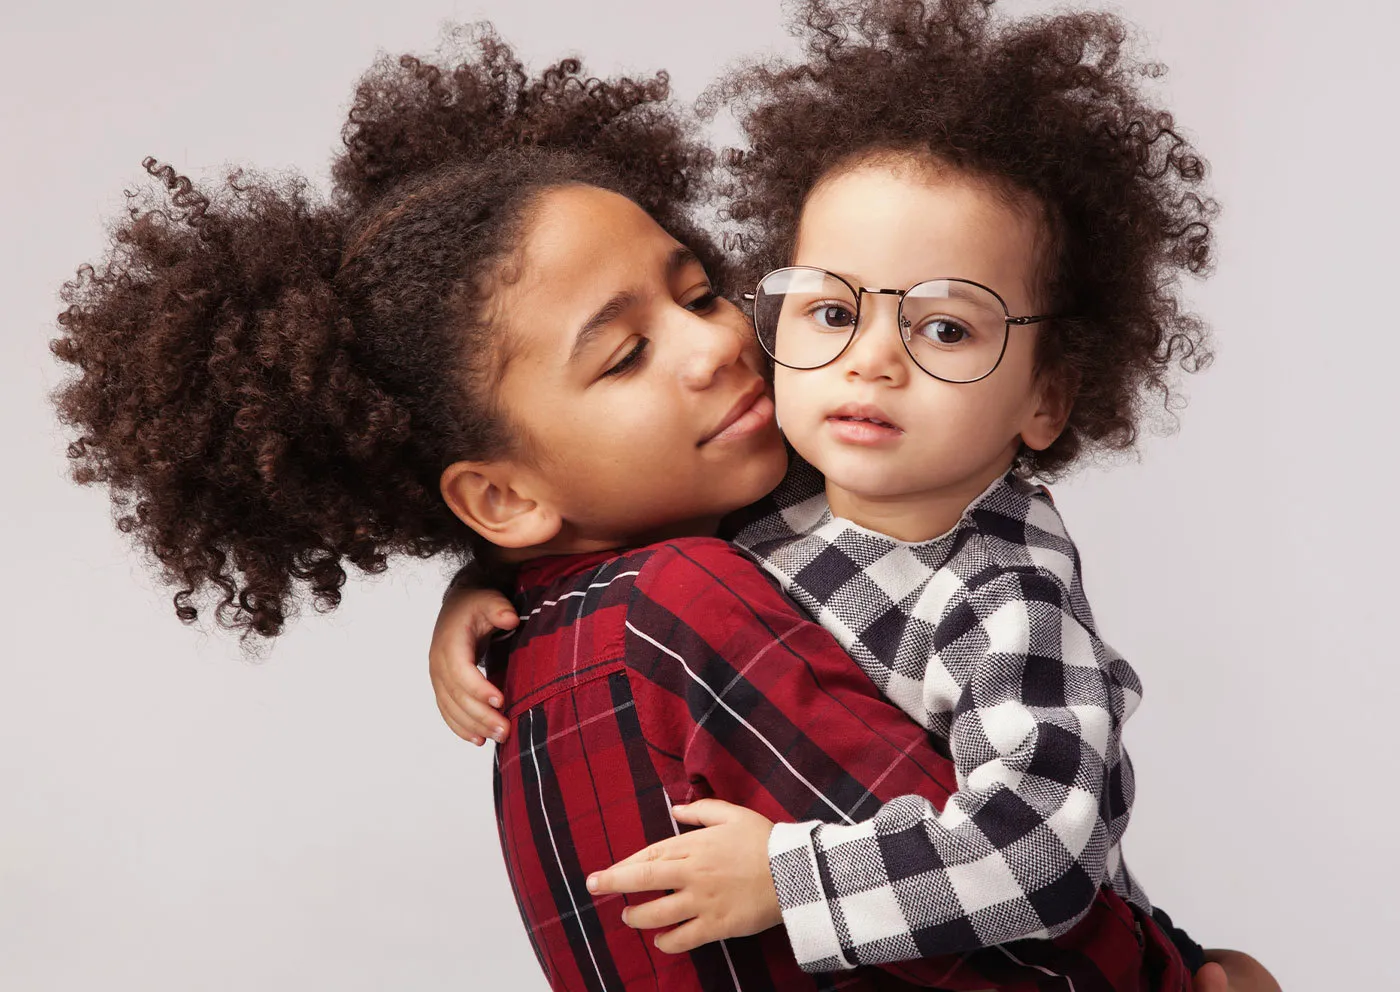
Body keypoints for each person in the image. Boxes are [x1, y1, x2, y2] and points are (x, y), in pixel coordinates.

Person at [427, 3, 1278, 989]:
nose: (869, 360)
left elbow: (1038, 850)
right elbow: (594, 508)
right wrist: (477, 590)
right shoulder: (774, 498)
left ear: (1044, 395)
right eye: (830, 310)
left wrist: (788, 879)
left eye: (945, 328)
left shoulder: (1004, 594)